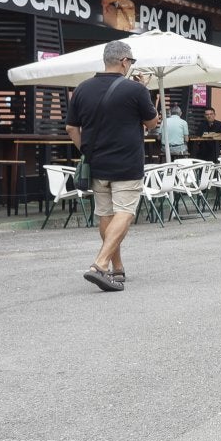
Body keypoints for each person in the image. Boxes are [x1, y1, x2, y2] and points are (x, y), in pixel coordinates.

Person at [64, 40, 159, 291]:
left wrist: (85, 149)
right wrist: (145, 90)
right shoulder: (136, 90)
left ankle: (117, 269)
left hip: (97, 163)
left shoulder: (82, 89)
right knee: (125, 213)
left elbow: (71, 128)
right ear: (125, 62)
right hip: (126, 162)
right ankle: (99, 264)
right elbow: (152, 123)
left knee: (106, 215)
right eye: (131, 62)